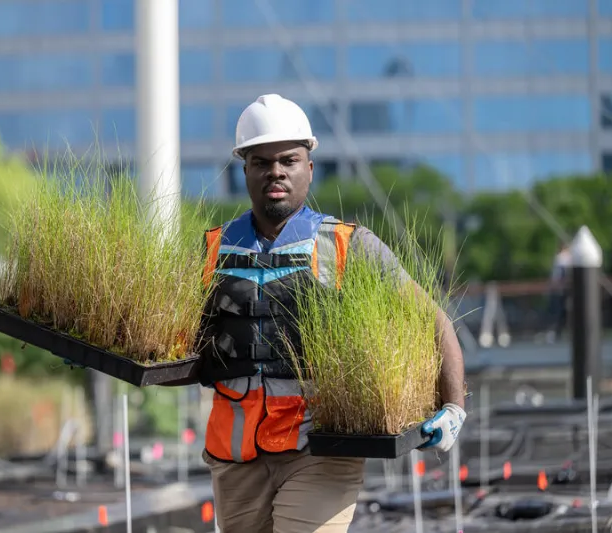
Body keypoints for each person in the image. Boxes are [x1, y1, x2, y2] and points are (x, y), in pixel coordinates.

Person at [195, 94, 467, 532]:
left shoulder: (348, 246)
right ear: (244, 168)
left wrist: (453, 408)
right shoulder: (212, 249)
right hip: (235, 456)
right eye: (261, 161)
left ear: (310, 167)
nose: (276, 172)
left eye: (289, 160)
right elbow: (173, 342)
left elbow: (433, 320)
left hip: (319, 449)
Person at [545, 243, 572, 343]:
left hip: (560, 290)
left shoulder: (561, 259)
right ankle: (557, 333)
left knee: (559, 312)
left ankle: (556, 333)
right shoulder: (564, 259)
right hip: (562, 290)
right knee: (560, 312)